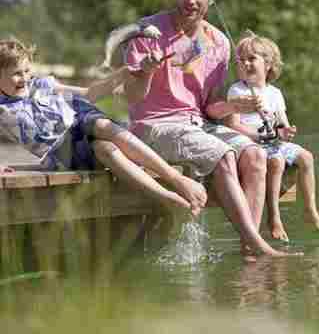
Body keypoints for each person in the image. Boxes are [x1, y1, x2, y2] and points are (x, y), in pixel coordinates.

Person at [123, 0, 297, 257]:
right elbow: (132, 97)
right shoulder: (146, 32)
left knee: (255, 156)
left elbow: (211, 107)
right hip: (155, 124)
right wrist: (147, 71)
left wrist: (234, 105)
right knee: (224, 155)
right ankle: (259, 245)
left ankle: (248, 250)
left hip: (198, 125)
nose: (189, 1)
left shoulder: (218, 42)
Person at [0, 37, 207, 217]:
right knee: (106, 149)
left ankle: (176, 179)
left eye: (27, 70)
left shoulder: (41, 85)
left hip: (78, 116)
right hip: (62, 148)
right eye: (16, 73)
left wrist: (123, 73)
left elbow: (90, 94)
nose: (25, 77)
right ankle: (166, 197)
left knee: (102, 124)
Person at [225, 30, 319, 242]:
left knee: (307, 157)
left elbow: (283, 124)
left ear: (268, 64)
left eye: (251, 59)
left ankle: (310, 210)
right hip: (254, 146)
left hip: (275, 142)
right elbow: (234, 126)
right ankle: (273, 217)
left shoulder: (275, 94)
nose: (245, 64)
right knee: (277, 162)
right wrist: (259, 136)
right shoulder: (237, 91)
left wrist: (287, 132)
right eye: (240, 60)